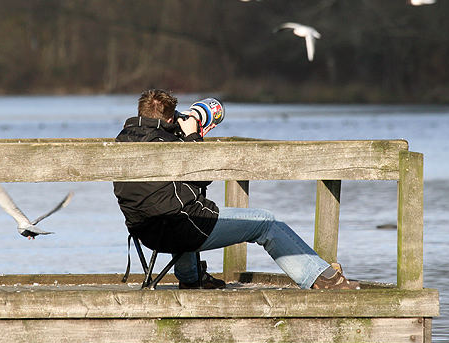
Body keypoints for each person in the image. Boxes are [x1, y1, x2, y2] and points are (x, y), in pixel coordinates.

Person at [113, 89, 359, 290]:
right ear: (169, 119)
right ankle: (321, 278)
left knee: (174, 207)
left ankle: (190, 278)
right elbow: (203, 178)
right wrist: (192, 139)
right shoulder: (166, 143)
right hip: (182, 229)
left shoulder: (122, 140)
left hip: (144, 232)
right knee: (266, 222)